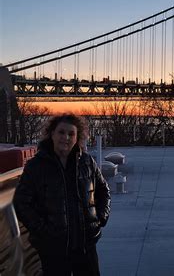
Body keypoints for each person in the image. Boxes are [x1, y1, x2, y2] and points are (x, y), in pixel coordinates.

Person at [13, 114, 111, 276]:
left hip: (85, 246)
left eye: (71, 134)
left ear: (77, 137)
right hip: (53, 250)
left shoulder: (87, 162)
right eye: (61, 132)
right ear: (52, 134)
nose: (65, 137)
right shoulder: (36, 166)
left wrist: (100, 218)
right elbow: (21, 203)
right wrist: (43, 232)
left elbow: (103, 190)